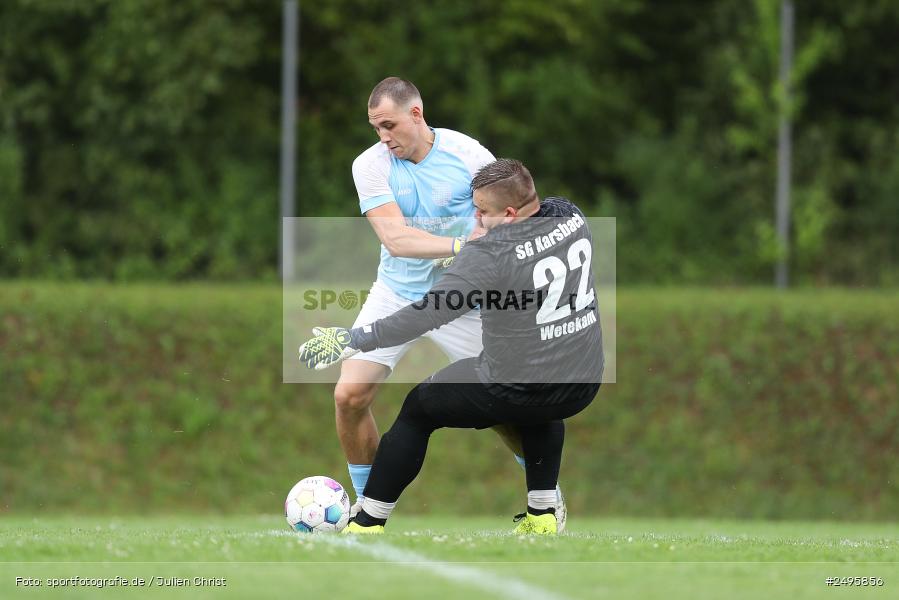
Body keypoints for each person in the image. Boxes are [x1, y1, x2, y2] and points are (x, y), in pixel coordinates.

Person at [301, 159, 603, 534]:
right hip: (583, 383)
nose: (475, 221)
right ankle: (542, 515)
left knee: (419, 408)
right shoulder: (569, 215)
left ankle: (367, 520)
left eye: (482, 212)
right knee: (540, 405)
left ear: (509, 214)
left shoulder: (488, 254)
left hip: (518, 384)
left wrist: (355, 338)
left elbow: (425, 314)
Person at [336, 77, 569, 529]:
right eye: (376, 127)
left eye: (389, 125)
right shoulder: (370, 165)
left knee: (506, 405)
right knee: (349, 395)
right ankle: (366, 505)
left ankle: (547, 500)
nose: (383, 136)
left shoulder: (468, 155)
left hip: (465, 300)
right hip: (397, 292)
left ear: (416, 114)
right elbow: (395, 239)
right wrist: (463, 245)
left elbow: (508, 213)